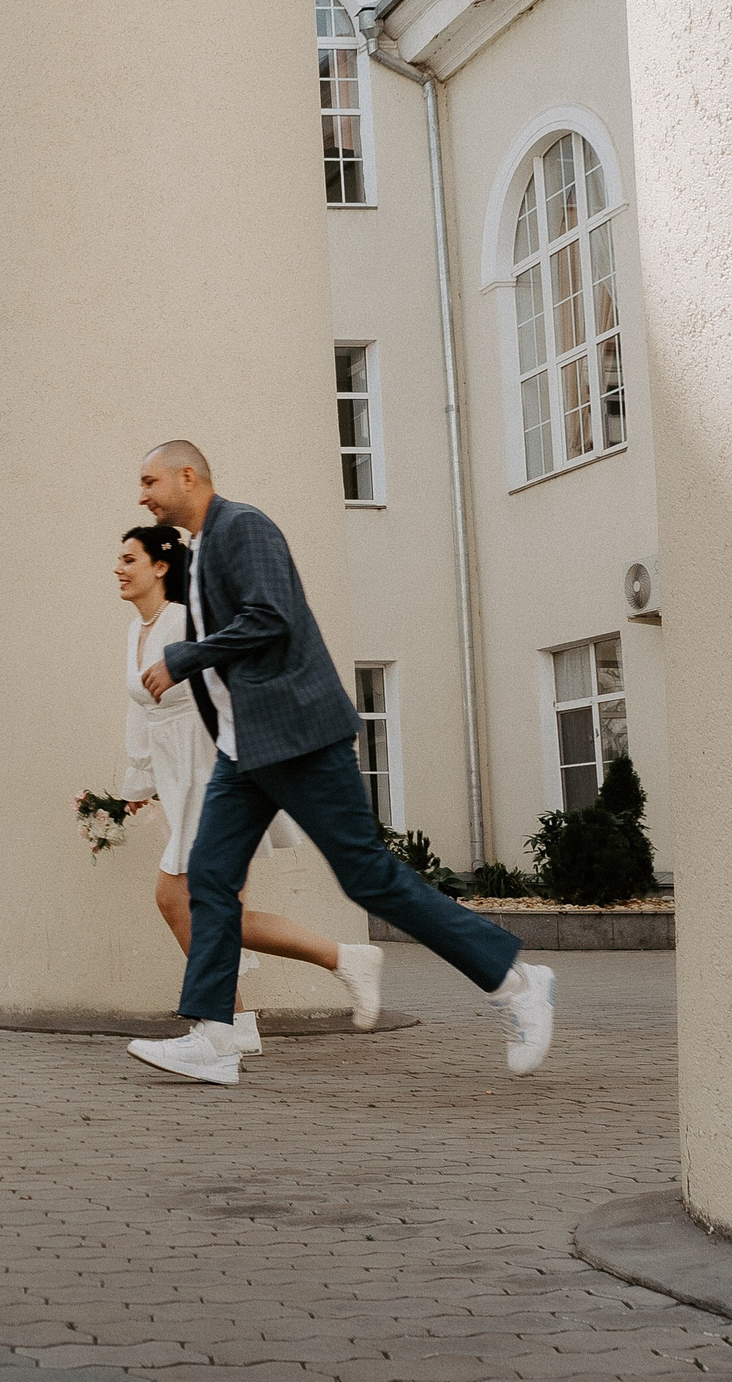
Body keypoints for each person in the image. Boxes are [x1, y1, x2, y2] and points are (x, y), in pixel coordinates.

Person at [129, 440, 556, 1087]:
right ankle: (216, 1036)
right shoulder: (204, 548)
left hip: (297, 735)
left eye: (150, 480)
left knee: (368, 876)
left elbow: (271, 617)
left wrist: (184, 657)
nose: (143, 494)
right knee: (209, 880)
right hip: (244, 750)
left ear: (189, 475)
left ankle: (516, 978)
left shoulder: (244, 526)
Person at [116, 524, 377, 1057]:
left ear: (160, 565)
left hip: (210, 766)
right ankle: (240, 1018)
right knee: (203, 906)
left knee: (187, 900)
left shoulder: (185, 619)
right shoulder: (135, 629)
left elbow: (225, 684)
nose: (118, 569)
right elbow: (140, 709)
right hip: (176, 774)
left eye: (129, 559)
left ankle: (261, 1005)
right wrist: (139, 781)